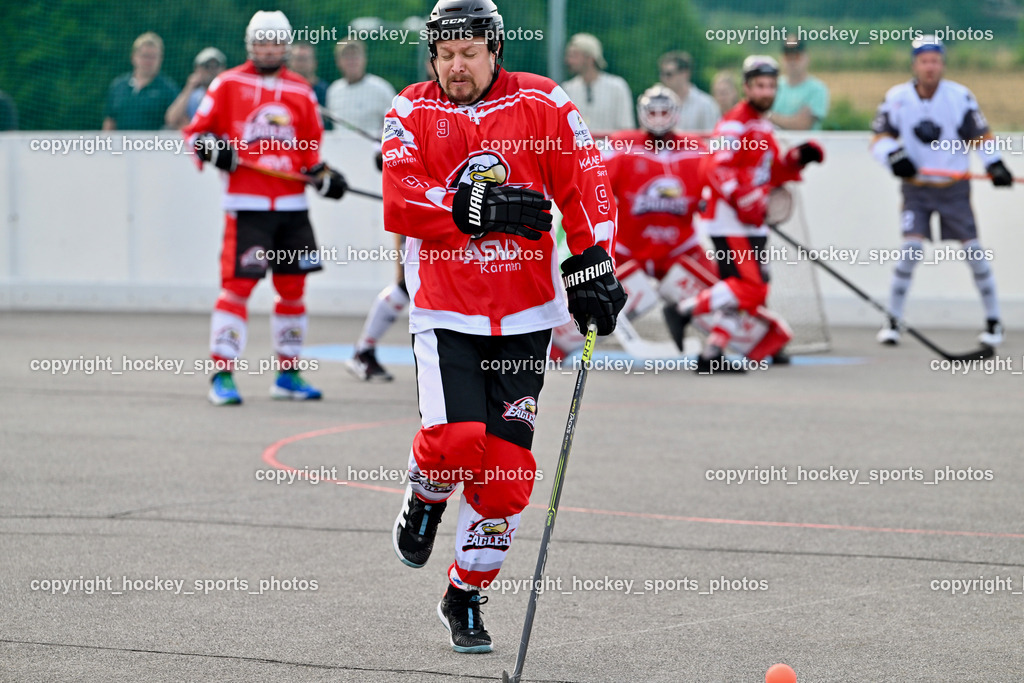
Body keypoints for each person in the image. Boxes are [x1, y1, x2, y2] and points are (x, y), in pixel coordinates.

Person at [384, 0, 625, 654]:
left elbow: (586, 182)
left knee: (509, 475)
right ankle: (426, 491)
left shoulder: (545, 103)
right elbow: (400, 193)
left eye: (469, 52)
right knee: (456, 441)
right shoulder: (411, 109)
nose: (456, 66)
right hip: (445, 311)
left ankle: (464, 591)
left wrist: (593, 259)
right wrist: (475, 205)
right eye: (445, 53)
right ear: (432, 55)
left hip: (524, 317)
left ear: (494, 49)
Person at [184, 10, 349, 405]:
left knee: (293, 289)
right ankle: (221, 375)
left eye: (276, 42)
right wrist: (212, 149)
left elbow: (310, 150)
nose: (269, 49)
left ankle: (288, 374)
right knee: (237, 288)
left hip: (292, 207)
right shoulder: (227, 84)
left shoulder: (300, 91)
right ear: (250, 44)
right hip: (247, 206)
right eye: (262, 42)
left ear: (287, 46)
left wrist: (325, 176)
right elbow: (195, 135)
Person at [666, 56, 823, 372]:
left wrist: (796, 158)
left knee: (741, 288)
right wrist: (743, 201)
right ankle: (683, 310)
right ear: (747, 88)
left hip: (754, 223)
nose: (767, 91)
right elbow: (716, 168)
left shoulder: (763, 125)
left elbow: (772, 171)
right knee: (752, 287)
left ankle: (713, 352)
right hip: (729, 221)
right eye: (760, 86)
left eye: (771, 86)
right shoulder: (733, 123)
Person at [870, 36, 1010, 347]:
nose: (930, 67)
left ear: (942, 64)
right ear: (915, 64)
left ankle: (994, 321)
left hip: (953, 188)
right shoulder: (897, 98)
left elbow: (980, 136)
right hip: (917, 189)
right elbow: (879, 137)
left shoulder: (959, 97)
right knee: (911, 251)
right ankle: (893, 320)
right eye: (924, 61)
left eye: (935, 60)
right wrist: (894, 156)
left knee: (974, 252)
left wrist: (995, 164)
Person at [561, 32, 634, 134]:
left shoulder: (617, 86)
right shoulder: (567, 89)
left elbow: (626, 128)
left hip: (611, 148)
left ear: (590, 58)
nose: (569, 61)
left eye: (574, 56)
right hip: (579, 149)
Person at [103, 32, 178, 131]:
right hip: (121, 145)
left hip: (154, 144)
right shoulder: (118, 86)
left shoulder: (168, 89)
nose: (148, 61)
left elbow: (179, 122)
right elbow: (110, 122)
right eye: (145, 56)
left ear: (160, 59)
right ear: (134, 56)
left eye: (153, 57)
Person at [325, 40, 396, 139]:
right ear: (338, 62)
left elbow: (395, 122)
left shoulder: (381, 88)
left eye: (355, 56)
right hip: (341, 150)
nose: (351, 61)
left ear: (364, 59)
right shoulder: (333, 90)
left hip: (374, 150)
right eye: (346, 56)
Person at [770, 38, 829, 131]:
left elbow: (802, 125)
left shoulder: (817, 89)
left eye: (796, 55)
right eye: (788, 56)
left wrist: (770, 116)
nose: (792, 61)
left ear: (806, 57)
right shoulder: (772, 86)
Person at [657, 51, 720, 132]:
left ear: (685, 74)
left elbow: (712, 138)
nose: (663, 78)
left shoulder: (706, 104)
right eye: (662, 74)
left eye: (669, 74)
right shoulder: (656, 103)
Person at [165, 47, 226, 129]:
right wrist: (189, 87)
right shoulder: (191, 96)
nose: (212, 70)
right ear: (197, 69)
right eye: (207, 66)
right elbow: (171, 119)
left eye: (216, 66)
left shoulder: (229, 95)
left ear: (223, 69)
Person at [288, 42, 331, 130]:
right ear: (290, 62)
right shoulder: (282, 90)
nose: (301, 63)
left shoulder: (326, 91)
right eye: (297, 59)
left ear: (315, 63)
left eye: (304, 59)